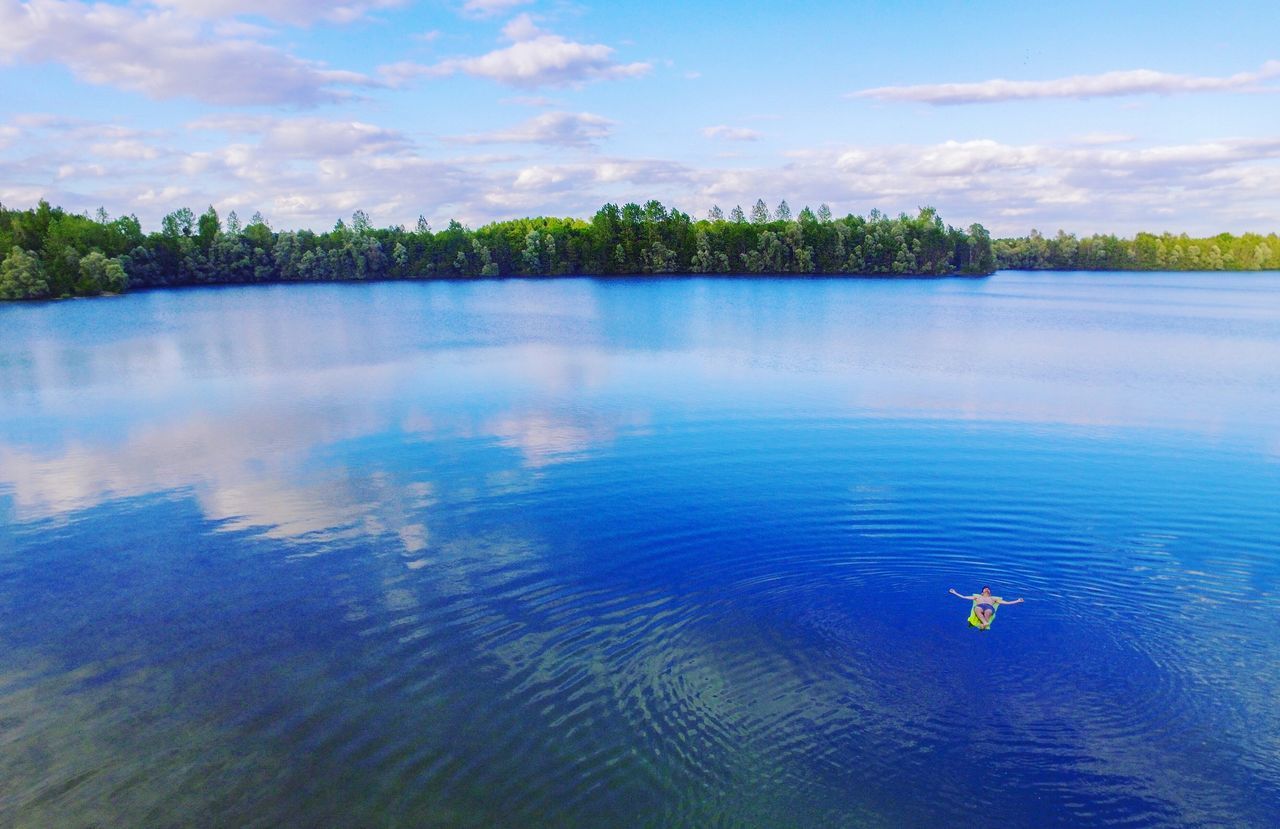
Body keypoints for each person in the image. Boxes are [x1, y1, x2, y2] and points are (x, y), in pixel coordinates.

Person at [949, 586, 1023, 629]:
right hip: (979, 606)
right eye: (985, 589)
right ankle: (985, 623)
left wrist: (1017, 601)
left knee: (988, 612)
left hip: (989, 607)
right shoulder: (977, 597)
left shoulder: (994, 599)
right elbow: (964, 597)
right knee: (977, 609)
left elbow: (1007, 603)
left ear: (990, 593)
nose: (987, 589)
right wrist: (954, 592)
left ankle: (984, 624)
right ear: (982, 592)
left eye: (988, 589)